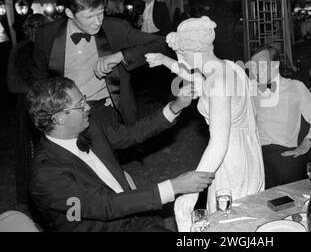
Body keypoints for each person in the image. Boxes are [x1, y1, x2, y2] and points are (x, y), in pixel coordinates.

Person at [27, 77, 214, 232]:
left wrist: (176, 106)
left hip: (134, 221)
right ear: (59, 118)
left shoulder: (91, 129)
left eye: (84, 99)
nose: (88, 108)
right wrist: (175, 186)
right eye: (80, 105)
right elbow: (106, 205)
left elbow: (132, 133)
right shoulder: (46, 175)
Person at [146, 16, 265, 231]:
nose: (179, 58)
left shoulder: (217, 83)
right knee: (248, 218)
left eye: (180, 53)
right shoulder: (230, 67)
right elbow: (196, 78)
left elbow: (219, 144)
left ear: (192, 50)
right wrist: (165, 61)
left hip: (230, 161)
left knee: (230, 223)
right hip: (248, 154)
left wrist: (192, 192)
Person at [31, 0, 169, 127]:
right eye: (89, 16)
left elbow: (161, 43)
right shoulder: (46, 35)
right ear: (70, 13)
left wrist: (120, 56)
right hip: (67, 117)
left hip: (107, 110)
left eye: (100, 12)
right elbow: (40, 83)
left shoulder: (115, 28)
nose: (98, 22)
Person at [250, 45, 311, 189]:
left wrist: (306, 143)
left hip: (283, 153)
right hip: (256, 153)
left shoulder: (295, 88)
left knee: (286, 171)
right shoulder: (248, 90)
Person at [7, 13, 51, 204]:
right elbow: (15, 83)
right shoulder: (26, 49)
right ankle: (36, 195)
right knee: (32, 152)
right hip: (30, 107)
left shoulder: (33, 48)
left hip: (34, 104)